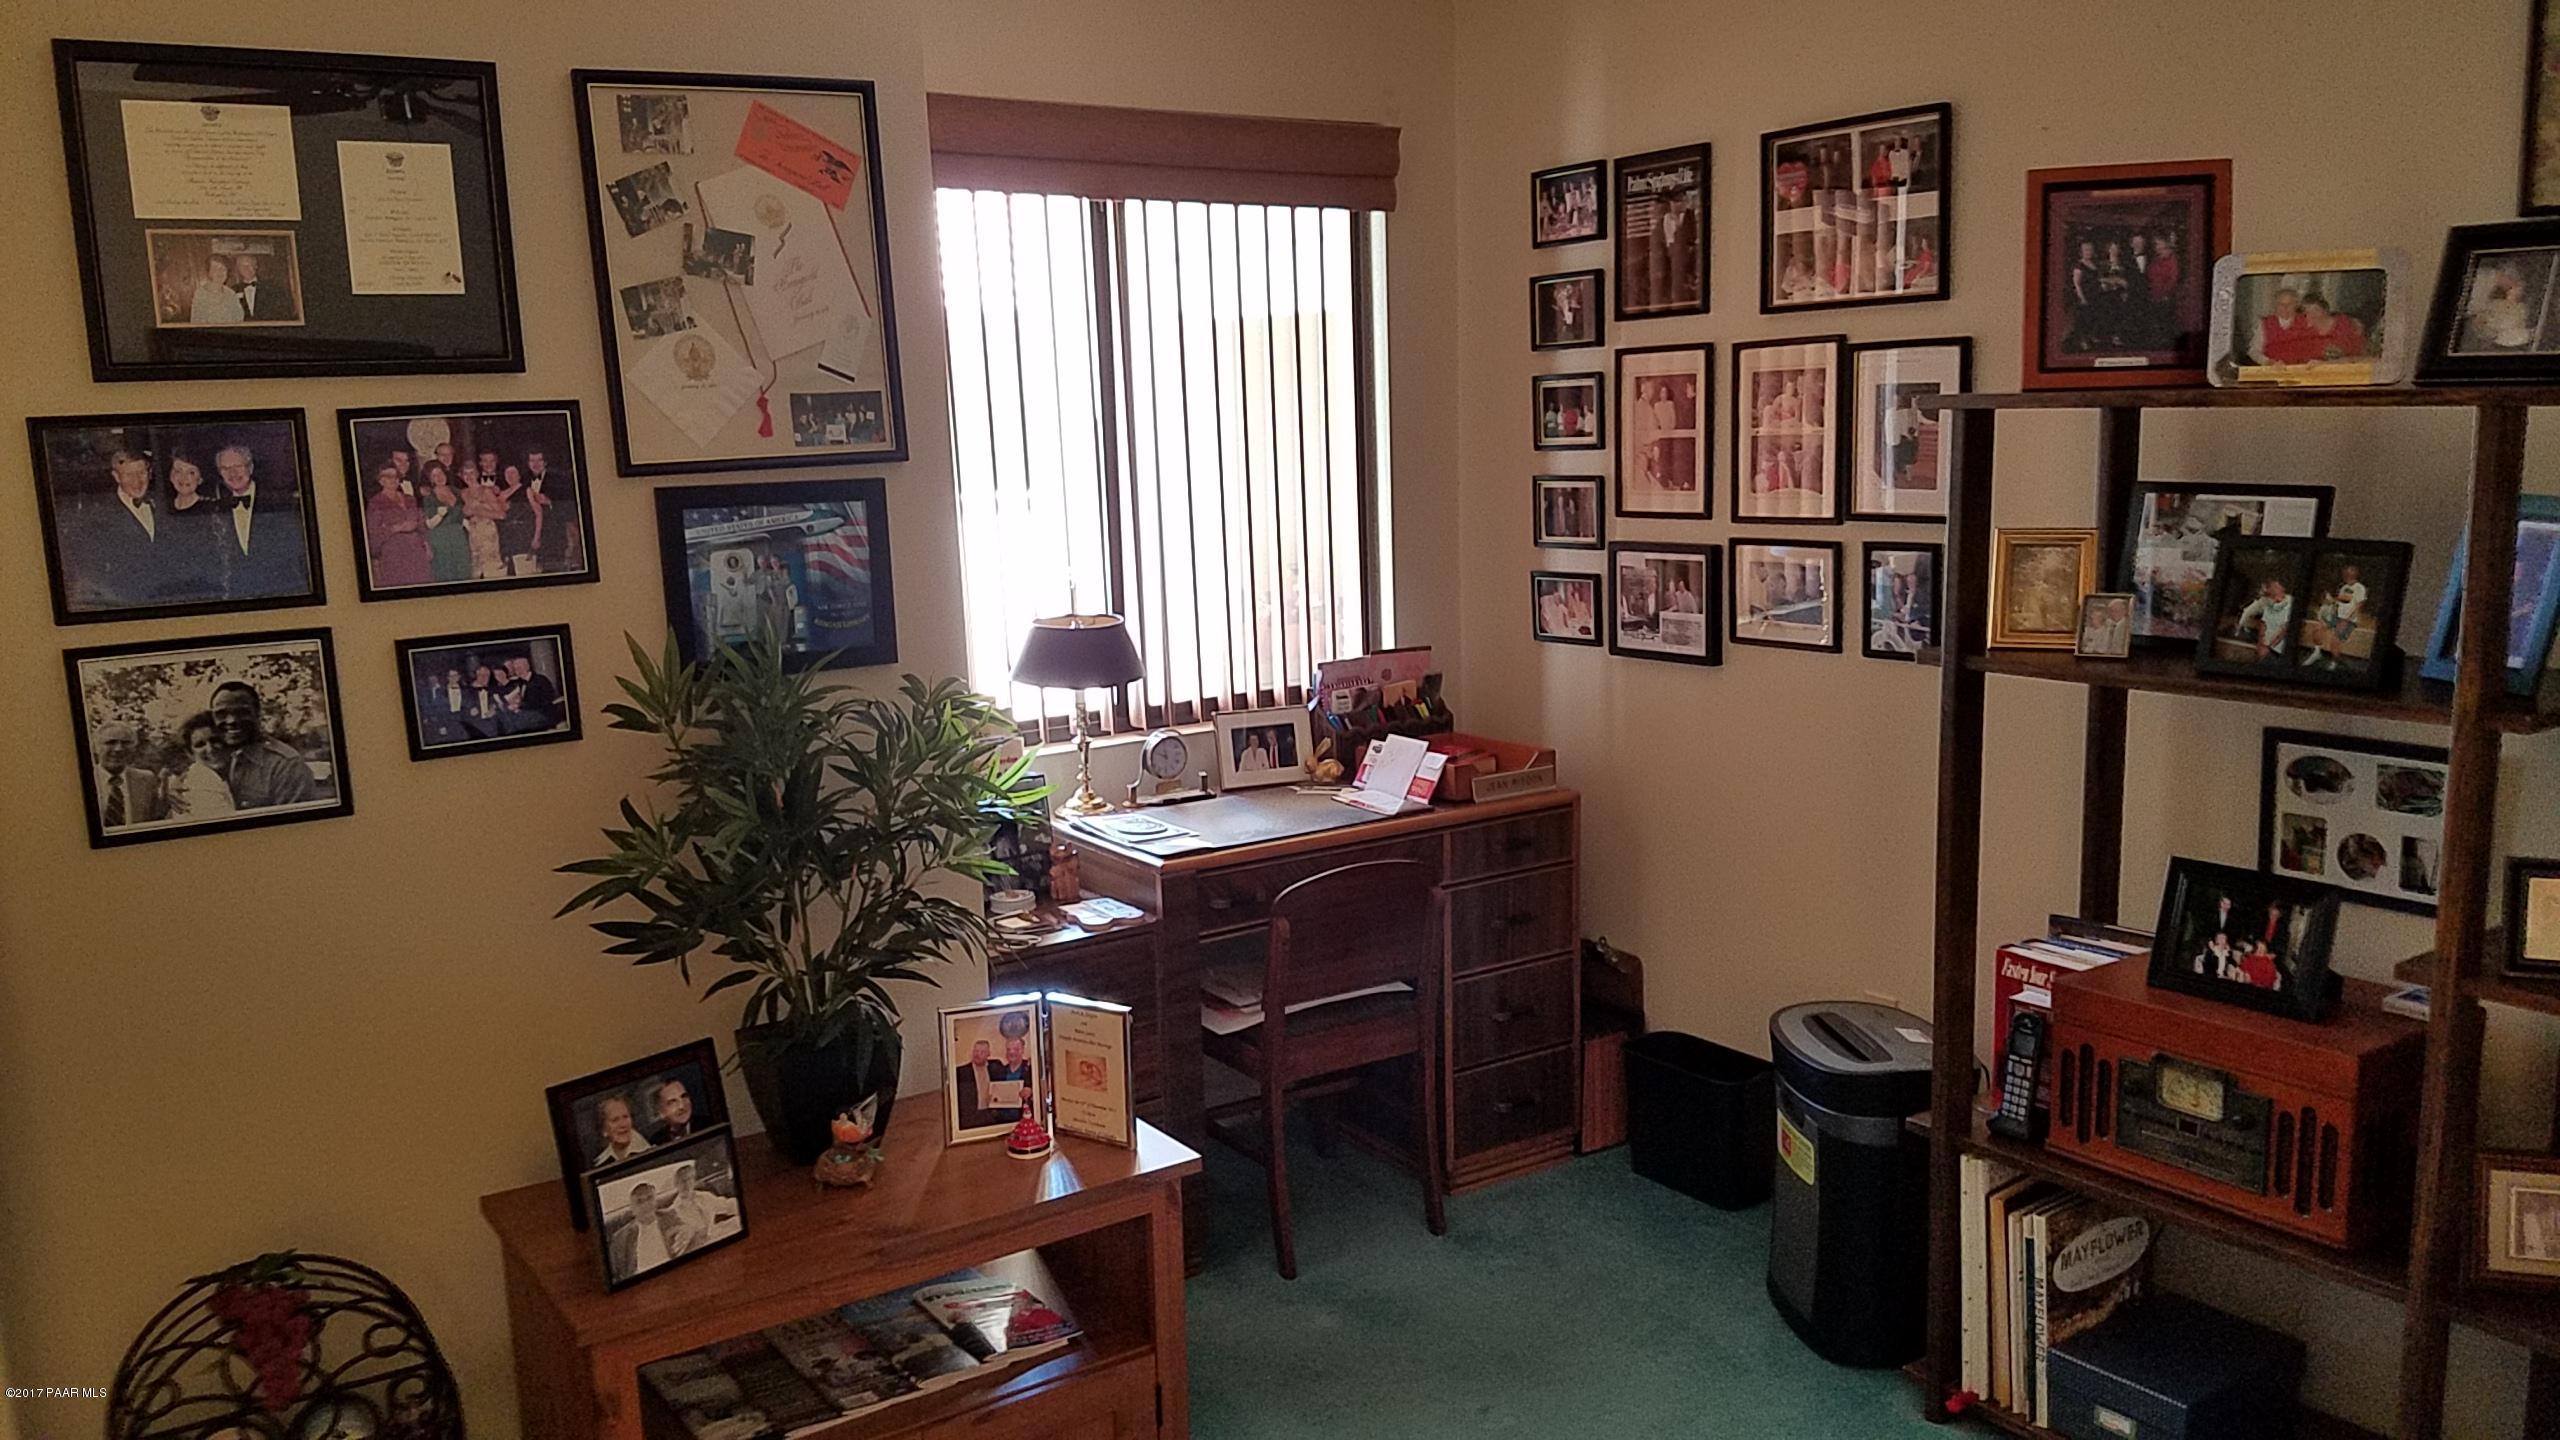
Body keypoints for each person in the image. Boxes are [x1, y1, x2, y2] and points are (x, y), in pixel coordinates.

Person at [212, 445, 310, 600]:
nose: (232, 473)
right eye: (225, 468)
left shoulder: (282, 503)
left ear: (250, 468)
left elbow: (296, 552)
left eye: (238, 466)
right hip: (239, 599)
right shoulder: (217, 509)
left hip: (283, 595)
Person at [209, 678, 316, 810]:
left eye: (242, 712)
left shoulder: (286, 765)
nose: (232, 720)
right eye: (221, 714)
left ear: (258, 714)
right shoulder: (207, 755)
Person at [80, 449, 162, 609]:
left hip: (166, 597)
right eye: (129, 475)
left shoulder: (163, 503)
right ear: (116, 477)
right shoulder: (100, 516)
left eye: (141, 473)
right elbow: (94, 569)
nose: (137, 481)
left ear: (150, 473)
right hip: (125, 603)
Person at [364, 464, 432, 588]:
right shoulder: (376, 503)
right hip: (394, 552)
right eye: (388, 476)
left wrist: (426, 543)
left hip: (416, 550)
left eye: (396, 476)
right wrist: (397, 527)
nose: (393, 479)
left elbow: (420, 523)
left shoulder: (409, 498)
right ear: (380, 480)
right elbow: (374, 532)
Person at [91, 721, 164, 830]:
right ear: (96, 747)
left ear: (134, 748)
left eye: (125, 743)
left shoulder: (147, 780)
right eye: (111, 742)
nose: (118, 749)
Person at [168, 711, 237, 819]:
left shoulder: (226, 776)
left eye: (215, 740)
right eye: (200, 745)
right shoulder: (199, 781)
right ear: (190, 753)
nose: (210, 749)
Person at [660, 1164, 736, 1256]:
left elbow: (728, 1205)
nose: (687, 1184)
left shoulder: (705, 1196)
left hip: (717, 1237)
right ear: (676, 1184)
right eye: (683, 1181)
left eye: (690, 1179)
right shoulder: (674, 1212)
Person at [2305, 564, 2368, 670]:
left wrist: (2345, 621)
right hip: (2337, 616)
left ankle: (2334, 662)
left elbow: (2358, 607)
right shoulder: (2344, 587)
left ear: (2355, 575)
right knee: (2318, 629)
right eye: (2346, 573)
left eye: (2350, 573)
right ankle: (2317, 653)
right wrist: (2330, 603)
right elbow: (2340, 601)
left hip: (2349, 620)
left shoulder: (2360, 588)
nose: (2347, 575)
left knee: (2335, 640)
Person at [525, 447, 577, 574]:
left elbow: (571, 505)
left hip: (555, 534)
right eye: (532, 460)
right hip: (529, 535)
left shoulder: (560, 479)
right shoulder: (523, 479)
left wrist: (549, 502)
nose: (535, 464)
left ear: (545, 462)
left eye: (539, 460)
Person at [418, 463, 470, 584]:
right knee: (445, 574)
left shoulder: (456, 491)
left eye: (440, 473)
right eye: (434, 475)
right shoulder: (429, 497)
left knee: (464, 572)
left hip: (459, 537)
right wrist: (439, 515)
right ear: (430, 479)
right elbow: (429, 524)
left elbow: (462, 515)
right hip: (440, 539)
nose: (439, 477)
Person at [609, 1181, 668, 1278]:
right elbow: (617, 1275)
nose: (645, 1204)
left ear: (656, 1201)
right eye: (639, 1201)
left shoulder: (671, 1217)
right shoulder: (620, 1239)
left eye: (649, 1198)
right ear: (632, 1209)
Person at [459, 467, 507, 580]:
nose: (469, 476)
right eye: (465, 473)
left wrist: (478, 511)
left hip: (487, 532)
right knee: (476, 570)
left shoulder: (485, 491)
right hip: (473, 533)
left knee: (491, 569)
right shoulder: (464, 493)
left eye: (471, 473)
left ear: (477, 474)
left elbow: (501, 515)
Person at [954, 1038, 1013, 1128]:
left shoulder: (996, 1066)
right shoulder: (961, 1072)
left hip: (992, 1115)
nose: (977, 1054)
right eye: (976, 1051)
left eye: (982, 1052)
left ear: (988, 1054)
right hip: (970, 1118)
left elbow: (1010, 1075)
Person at [2251, 286, 2316, 366]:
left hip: (2301, 370)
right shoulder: (2265, 323)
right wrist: (2268, 362)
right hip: (2273, 370)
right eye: (2281, 304)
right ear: (2275, 305)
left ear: (2296, 305)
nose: (2285, 308)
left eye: (2290, 304)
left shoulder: (2307, 321)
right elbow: (2254, 351)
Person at [2235, 576, 2295, 660]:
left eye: (2277, 586)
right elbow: (2247, 613)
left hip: (2279, 647)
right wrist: (2239, 629)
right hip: (2268, 644)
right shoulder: (2264, 602)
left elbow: (2285, 627)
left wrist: (2271, 644)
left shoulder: (2290, 602)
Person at [494, 464, 538, 577]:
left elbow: (539, 513)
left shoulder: (526, 490)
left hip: (523, 536)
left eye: (513, 472)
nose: (510, 475)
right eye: (507, 473)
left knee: (525, 571)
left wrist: (536, 537)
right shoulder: (501, 494)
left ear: (519, 475)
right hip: (506, 538)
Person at [2299, 293, 2369, 362]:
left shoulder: (2345, 325)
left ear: (2326, 310)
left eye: (2316, 310)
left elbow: (2361, 355)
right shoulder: (2303, 332)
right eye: (2307, 312)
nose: (2312, 315)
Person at [592, 1094, 654, 1167]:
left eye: (625, 1117)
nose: (622, 1124)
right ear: (604, 1130)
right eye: (615, 1120)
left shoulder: (652, 1151)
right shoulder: (599, 1165)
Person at [508, 654, 562, 731]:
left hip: (544, 715)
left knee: (516, 725)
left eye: (520, 668)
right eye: (516, 669)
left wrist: (519, 706)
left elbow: (543, 701)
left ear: (527, 667)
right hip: (530, 713)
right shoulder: (520, 682)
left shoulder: (541, 680)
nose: (518, 671)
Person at [230, 252, 286, 323]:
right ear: (238, 269)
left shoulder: (271, 287)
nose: (246, 269)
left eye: (249, 265)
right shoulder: (233, 290)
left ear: (256, 266)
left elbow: (281, 312)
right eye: (242, 266)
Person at [189, 254, 245, 325]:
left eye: (223, 269)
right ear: (209, 272)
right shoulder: (200, 294)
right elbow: (196, 323)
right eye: (215, 268)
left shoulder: (230, 293)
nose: (220, 272)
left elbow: (239, 318)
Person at [648, 1078, 698, 1145]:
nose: (681, 1106)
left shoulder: (708, 1124)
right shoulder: (656, 1141)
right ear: (660, 1112)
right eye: (672, 1102)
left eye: (684, 1097)